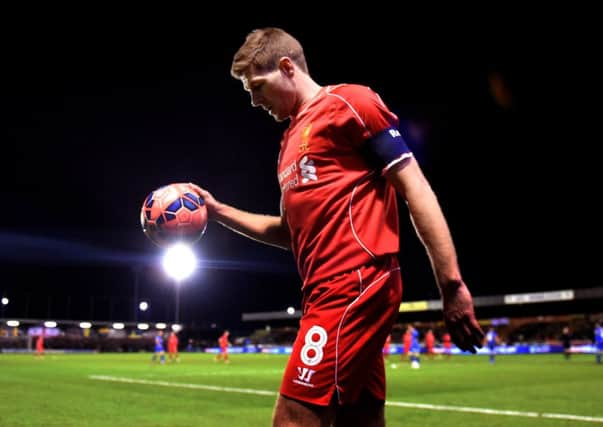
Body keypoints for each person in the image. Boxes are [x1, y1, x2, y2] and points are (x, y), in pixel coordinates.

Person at [192, 27, 483, 427]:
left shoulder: (351, 102)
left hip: (355, 285)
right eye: (248, 92)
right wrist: (218, 210)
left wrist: (451, 283)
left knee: (293, 419)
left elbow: (415, 187)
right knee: (360, 419)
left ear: (287, 67)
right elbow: (290, 235)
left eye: (257, 86)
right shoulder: (288, 141)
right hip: (323, 291)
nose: (255, 100)